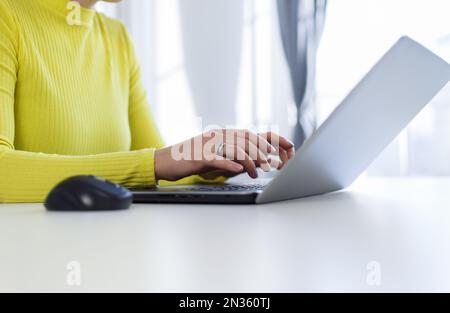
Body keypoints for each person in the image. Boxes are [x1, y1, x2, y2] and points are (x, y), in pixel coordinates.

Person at [0, 0, 295, 203]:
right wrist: (160, 160)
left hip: (114, 252)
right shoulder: (7, 18)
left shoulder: (117, 39)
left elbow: (158, 174)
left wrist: (209, 163)